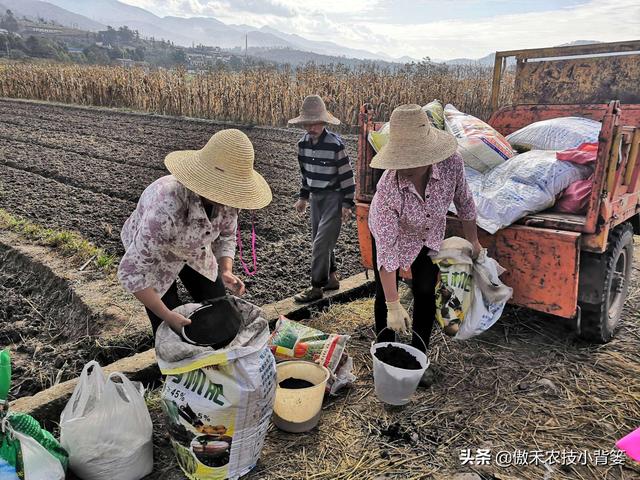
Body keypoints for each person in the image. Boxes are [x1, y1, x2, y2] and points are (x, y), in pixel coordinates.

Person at [368, 104, 481, 385]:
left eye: (411, 160)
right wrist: (394, 304)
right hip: (392, 235)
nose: (404, 166)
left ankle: (419, 355)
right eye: (400, 159)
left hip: (428, 236)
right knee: (384, 297)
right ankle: (385, 354)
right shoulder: (388, 189)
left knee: (424, 290)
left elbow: (464, 202)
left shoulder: (452, 163)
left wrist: (474, 241)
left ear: (429, 155)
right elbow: (386, 253)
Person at [117, 129, 272, 334]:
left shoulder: (230, 202)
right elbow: (132, 273)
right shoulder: (166, 208)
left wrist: (225, 269)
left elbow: (227, 235)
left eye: (233, 190)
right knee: (169, 326)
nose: (228, 198)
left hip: (194, 248)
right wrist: (167, 315)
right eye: (224, 189)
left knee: (221, 311)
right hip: (156, 253)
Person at [288, 95, 355, 303]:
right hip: (316, 199)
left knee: (320, 244)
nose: (312, 126)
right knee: (322, 242)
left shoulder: (336, 145)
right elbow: (305, 175)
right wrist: (303, 198)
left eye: (316, 122)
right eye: (308, 122)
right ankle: (332, 279)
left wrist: (347, 204)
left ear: (324, 122)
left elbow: (347, 176)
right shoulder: (302, 145)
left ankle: (316, 287)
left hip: (334, 198)